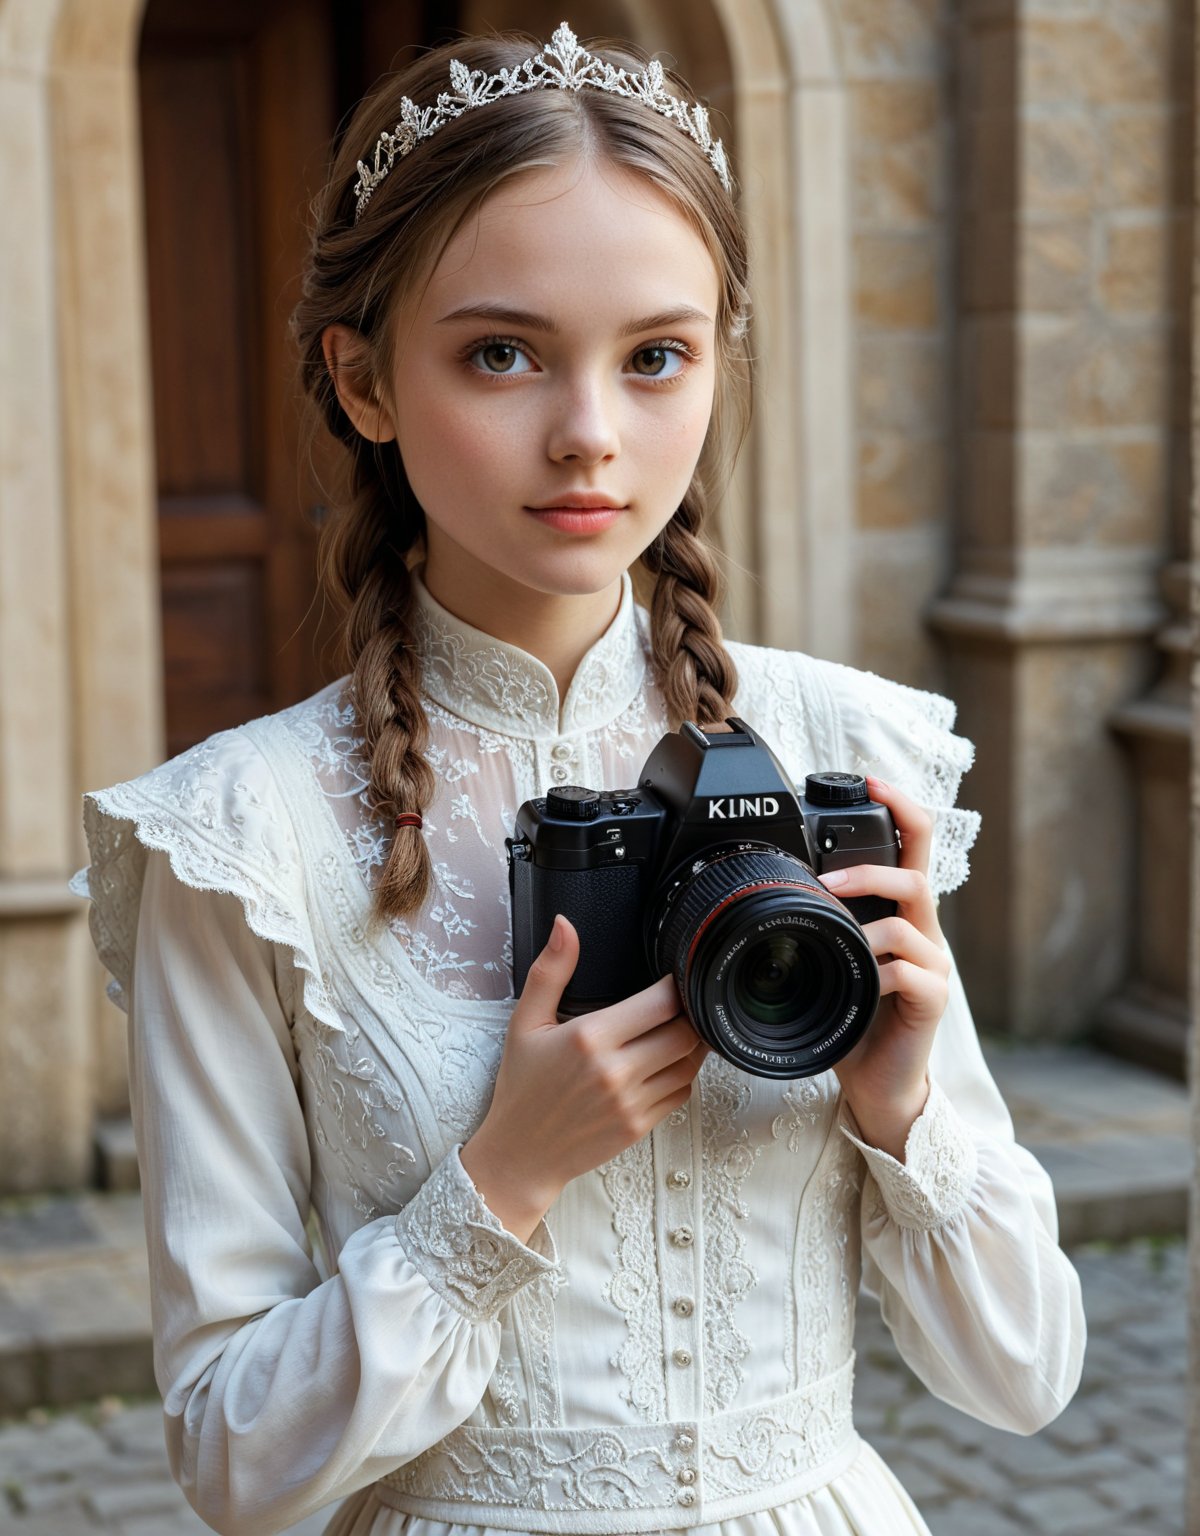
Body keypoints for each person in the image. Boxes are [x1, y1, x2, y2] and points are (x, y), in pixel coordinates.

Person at [72, 22, 1085, 1536]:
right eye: (501, 353)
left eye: (656, 356)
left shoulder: (847, 754)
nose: (591, 437)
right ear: (362, 380)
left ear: (718, 365)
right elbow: (236, 1463)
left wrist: (902, 1113)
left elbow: (1025, 1374)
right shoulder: (246, 838)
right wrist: (494, 1190)